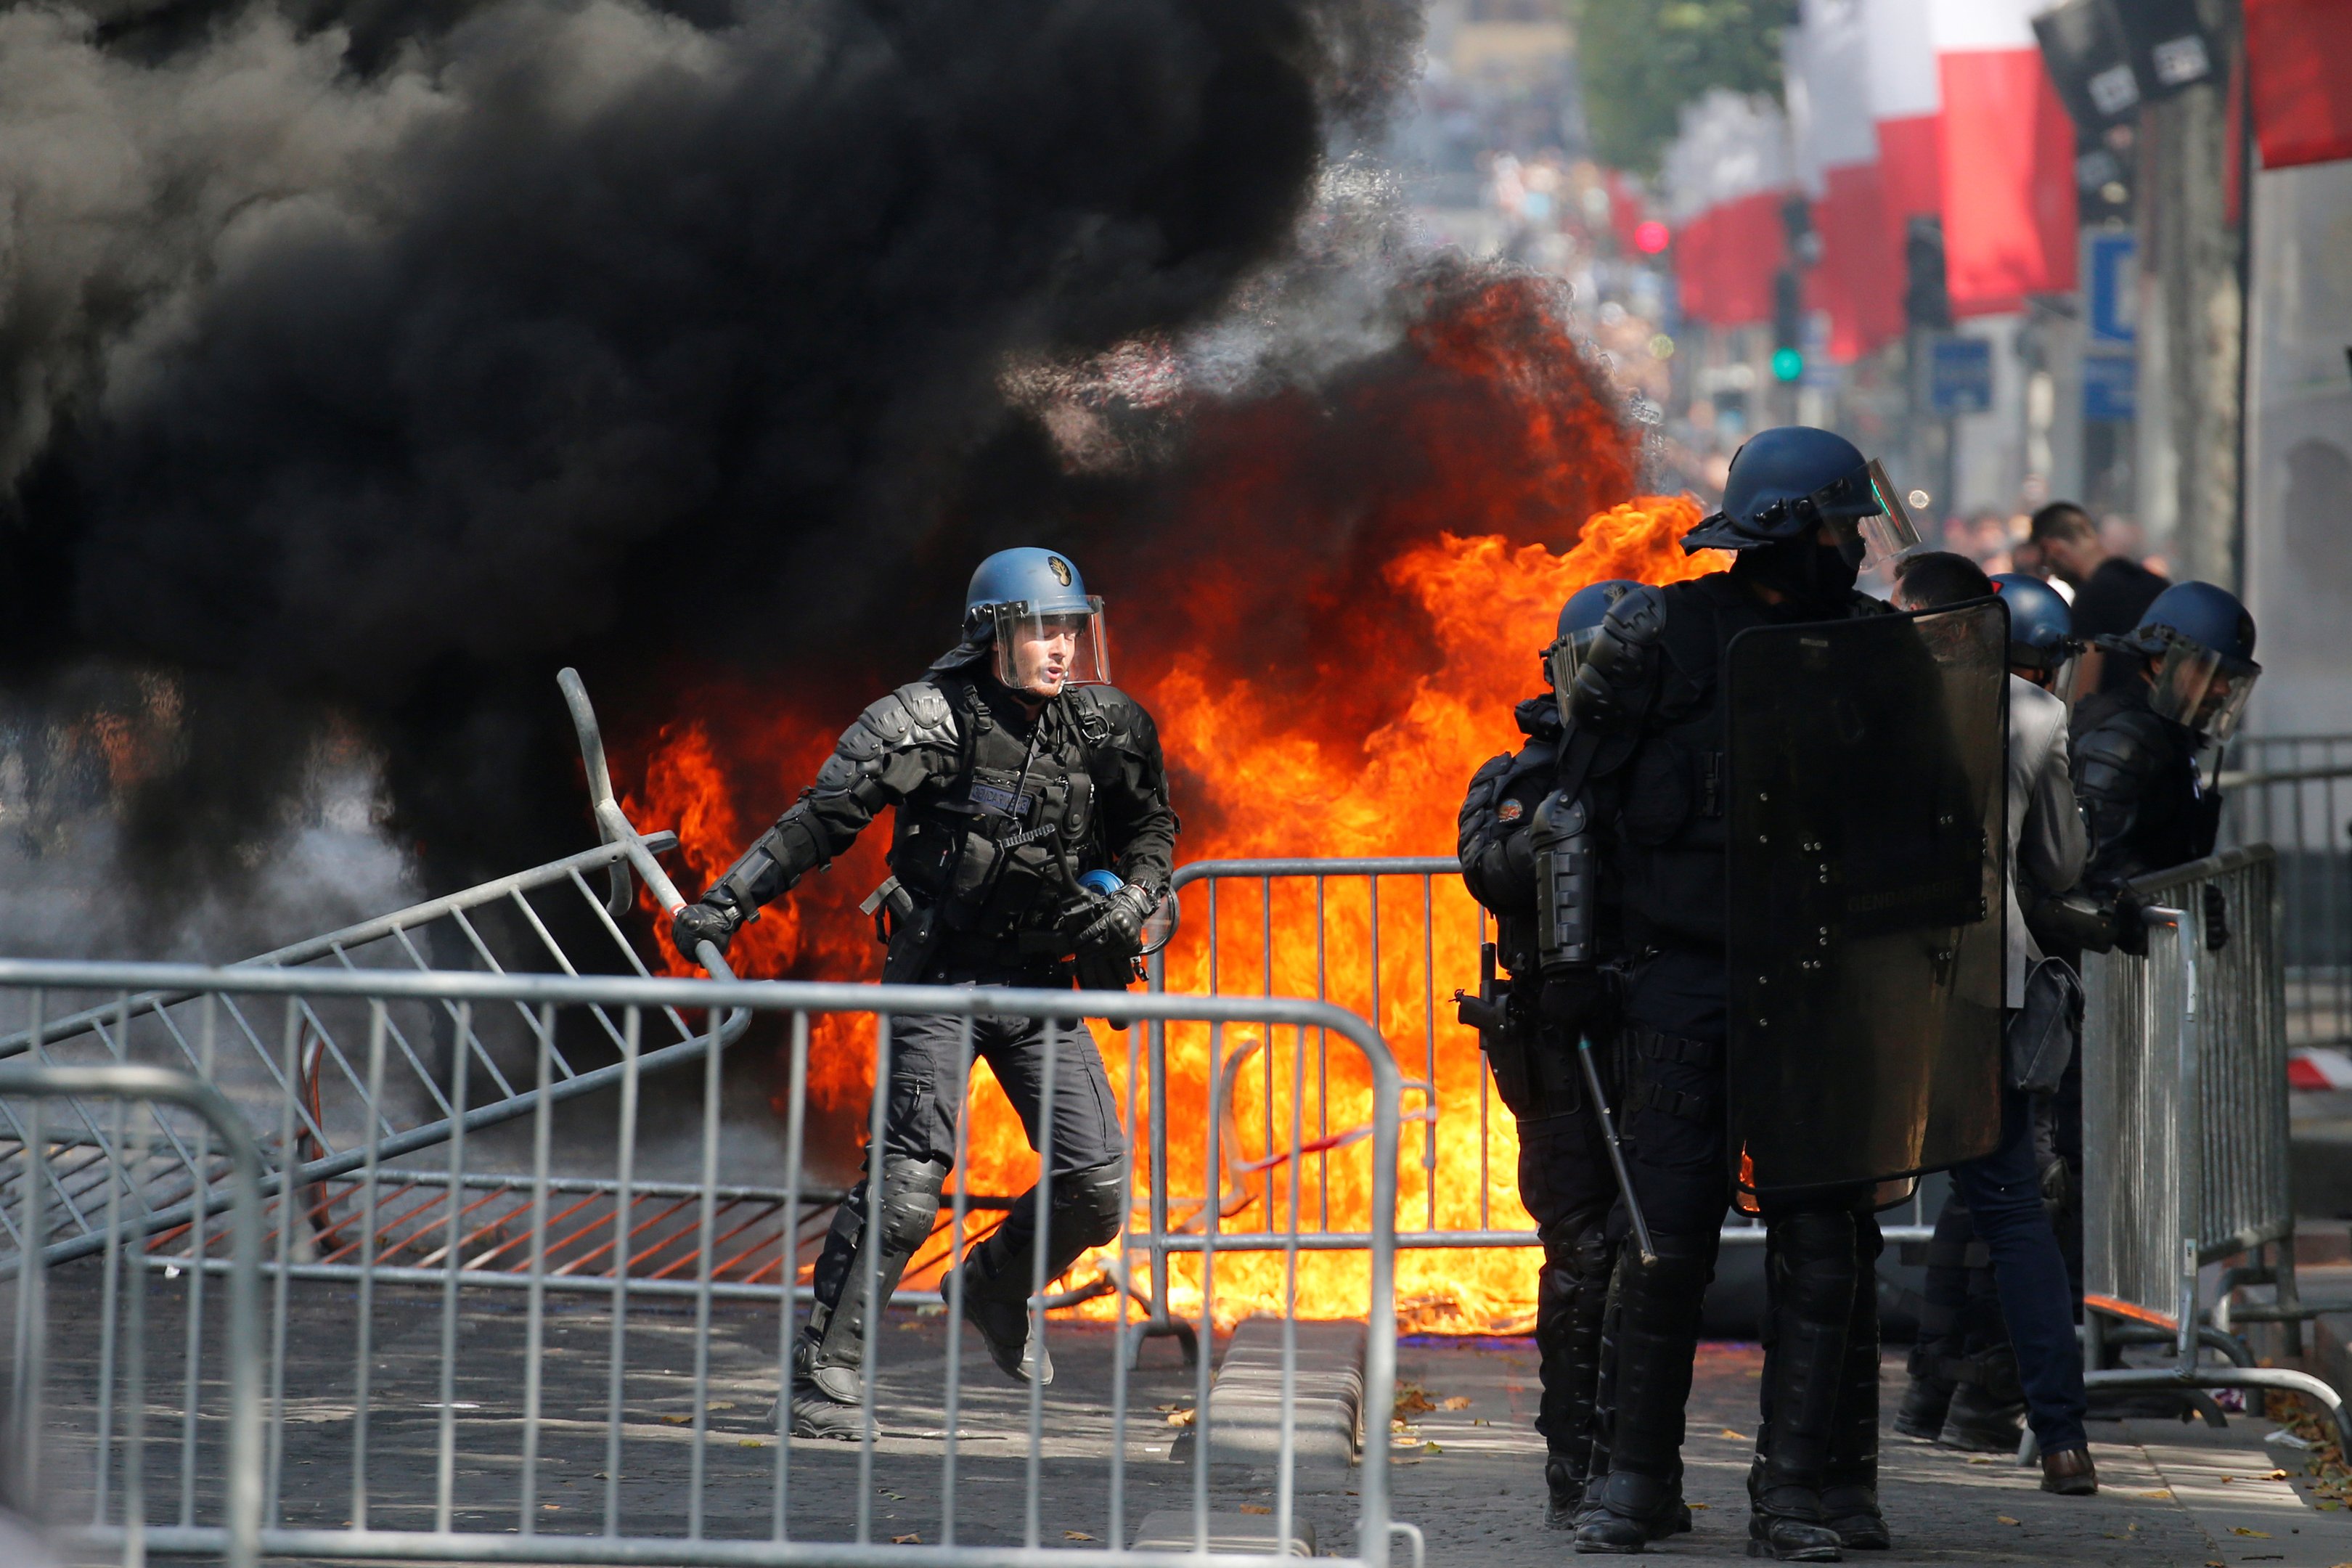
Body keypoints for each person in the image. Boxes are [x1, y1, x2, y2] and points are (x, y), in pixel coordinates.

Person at [671, 547, 1179, 1439]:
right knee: (908, 1182)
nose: (1060, 648)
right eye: (1038, 629)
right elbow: (819, 821)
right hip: (939, 978)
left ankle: (991, 1286)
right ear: (993, 634)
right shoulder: (924, 721)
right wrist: (726, 902)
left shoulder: (1106, 726)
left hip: (1038, 986)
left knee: (1097, 1188)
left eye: (1069, 629)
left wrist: (1137, 896)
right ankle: (823, 1383)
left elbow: (1150, 828)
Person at [1565, 427, 1932, 1561]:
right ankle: (1634, 1484)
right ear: (1789, 529)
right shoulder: (1657, 639)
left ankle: (1796, 1497)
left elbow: (1933, 815)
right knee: (1662, 1244)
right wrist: (1590, 967)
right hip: (1685, 982)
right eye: (1841, 525)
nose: (1857, 545)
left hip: (1823, 989)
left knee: (1823, 1252)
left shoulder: (1879, 650)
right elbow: (1584, 804)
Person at [1883, 555, 2099, 1495]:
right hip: (1982, 983)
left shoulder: (1852, 700)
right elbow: (2058, 860)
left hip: (1868, 990)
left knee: (1835, 1216)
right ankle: (2062, 1440)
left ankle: (1822, 1460)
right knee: (2013, 1218)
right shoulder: (2034, 714)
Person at [1458, 580, 1643, 1532]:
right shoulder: (1517, 776)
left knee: (1651, 1256)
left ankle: (1635, 1464)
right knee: (1580, 1256)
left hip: (1652, 1032)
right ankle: (1574, 1467)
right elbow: (1488, 872)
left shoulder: (1662, 765)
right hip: (1558, 1047)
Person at [2073, 581, 2258, 905]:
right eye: (2209, 671)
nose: (2223, 690)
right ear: (2160, 661)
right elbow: (2095, 861)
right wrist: (2170, 903)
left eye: (2229, 677)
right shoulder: (2123, 738)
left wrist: (2195, 901)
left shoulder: (2168, 735)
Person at [2028, 504, 2167, 697]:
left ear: (2053, 549)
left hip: (2112, 721)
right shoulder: (2157, 585)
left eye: (2046, 567)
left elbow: (2082, 694)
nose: (2054, 575)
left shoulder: (2090, 598)